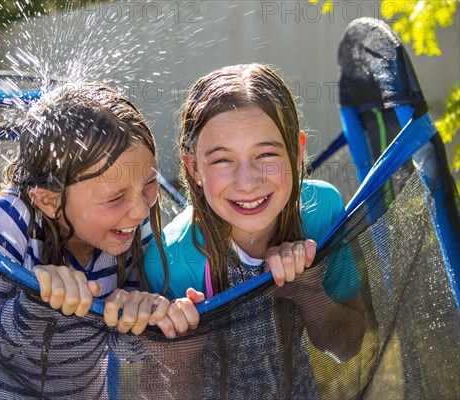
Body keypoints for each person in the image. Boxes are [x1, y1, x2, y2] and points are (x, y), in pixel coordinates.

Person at [0, 83, 199, 399]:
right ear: (49, 201)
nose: (141, 209)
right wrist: (32, 307)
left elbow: (125, 349)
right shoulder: (10, 222)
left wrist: (146, 317)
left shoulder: (130, 231)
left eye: (149, 184)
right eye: (115, 197)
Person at [144, 63, 367, 398]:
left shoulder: (321, 213)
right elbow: (158, 391)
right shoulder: (170, 258)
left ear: (297, 152)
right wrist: (179, 357)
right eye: (222, 160)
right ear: (193, 167)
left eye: (265, 154)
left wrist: (308, 292)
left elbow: (348, 346)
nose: (247, 182)